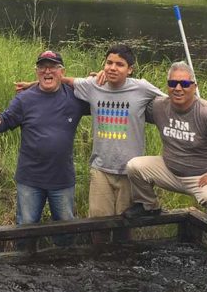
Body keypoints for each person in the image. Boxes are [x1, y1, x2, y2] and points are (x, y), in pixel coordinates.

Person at [123, 61, 207, 218]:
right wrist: (104, 80)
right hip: (170, 170)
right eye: (173, 83)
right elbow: (130, 99)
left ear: (194, 86)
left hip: (202, 175)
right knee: (134, 166)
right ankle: (149, 205)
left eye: (184, 84)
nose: (178, 88)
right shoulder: (158, 106)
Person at [0, 50, 89, 226]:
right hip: (30, 180)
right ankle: (25, 254)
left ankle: (62, 254)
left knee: (65, 231)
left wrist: (96, 79)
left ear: (62, 72)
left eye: (53, 67)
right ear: (36, 71)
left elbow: (102, 94)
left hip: (62, 179)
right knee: (25, 229)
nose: (47, 71)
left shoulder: (75, 97)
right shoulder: (24, 100)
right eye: (42, 67)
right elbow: (5, 121)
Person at [70, 44, 164, 217]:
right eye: (109, 63)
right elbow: (64, 80)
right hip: (101, 168)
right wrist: (32, 84)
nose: (113, 68)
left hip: (130, 171)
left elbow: (169, 101)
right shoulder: (93, 85)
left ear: (130, 70)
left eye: (119, 64)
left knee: (124, 222)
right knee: (98, 222)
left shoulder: (142, 88)